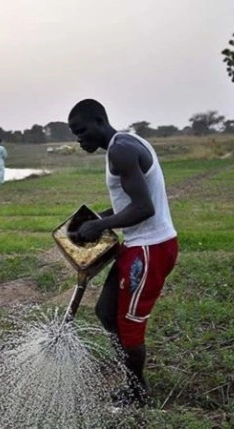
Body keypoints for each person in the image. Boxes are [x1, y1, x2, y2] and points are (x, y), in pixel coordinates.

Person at [67, 99, 178, 407]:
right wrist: (94, 221)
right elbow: (130, 202)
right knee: (105, 311)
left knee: (129, 326)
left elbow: (144, 208)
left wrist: (101, 224)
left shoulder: (121, 151)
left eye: (82, 131)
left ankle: (137, 389)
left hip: (150, 249)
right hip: (137, 243)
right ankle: (129, 374)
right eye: (75, 135)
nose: (80, 140)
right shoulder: (124, 143)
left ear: (100, 121)